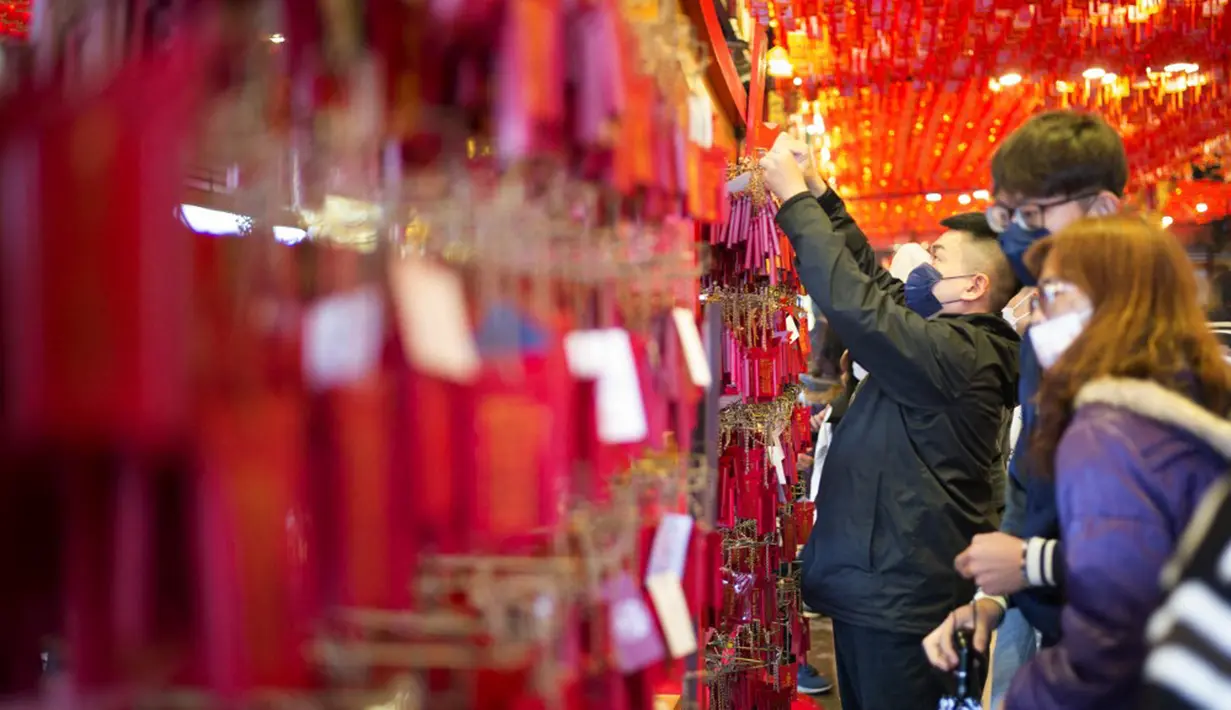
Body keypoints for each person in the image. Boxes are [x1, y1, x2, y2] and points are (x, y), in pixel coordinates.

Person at [760, 139, 1020, 710]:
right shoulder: (945, 340)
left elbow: (858, 307)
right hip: (881, 593)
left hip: (906, 607)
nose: (923, 265)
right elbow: (876, 290)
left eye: (938, 256)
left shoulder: (964, 355)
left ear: (975, 287)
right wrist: (825, 200)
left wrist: (794, 201)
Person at [950, 217, 1231, 708]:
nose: (1038, 320)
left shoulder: (1106, 432)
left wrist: (1025, 696)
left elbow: (1109, 636)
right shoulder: (1191, 396)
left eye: (1054, 294)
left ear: (1117, 301)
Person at [924, 112, 1128, 700]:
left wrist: (1032, 564)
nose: (1015, 232)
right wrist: (989, 600)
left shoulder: (1151, 339)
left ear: (1102, 211)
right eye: (1005, 214)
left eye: (1033, 214)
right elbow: (1030, 481)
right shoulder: (1044, 332)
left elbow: (1167, 541)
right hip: (1058, 640)